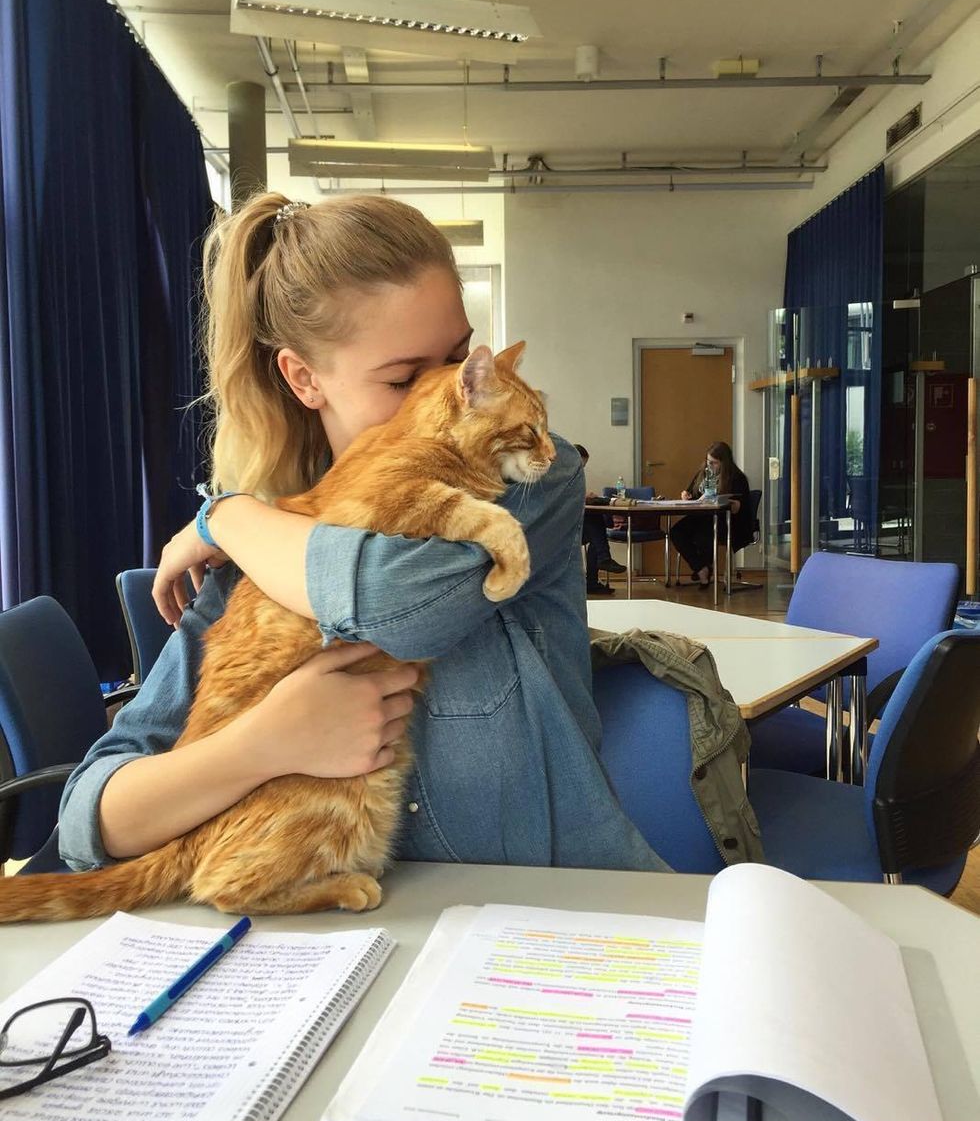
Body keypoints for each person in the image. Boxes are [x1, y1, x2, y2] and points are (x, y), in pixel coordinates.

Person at [57, 192, 669, 876]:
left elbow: (395, 601)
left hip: (550, 915)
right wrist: (266, 742)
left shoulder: (526, 479)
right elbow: (89, 817)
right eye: (407, 377)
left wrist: (225, 517)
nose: (448, 392)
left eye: (461, 358)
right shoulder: (261, 553)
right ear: (304, 378)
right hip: (345, 943)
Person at [670, 441, 751, 588]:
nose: (710, 466)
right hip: (701, 516)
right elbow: (691, 493)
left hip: (725, 521)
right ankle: (701, 568)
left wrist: (732, 503)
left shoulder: (737, 478)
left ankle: (704, 572)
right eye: (708, 462)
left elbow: (740, 507)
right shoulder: (704, 473)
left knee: (703, 535)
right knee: (676, 531)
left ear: (724, 463)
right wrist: (685, 495)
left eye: (714, 463)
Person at [574, 444, 626, 596]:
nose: (581, 469)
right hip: (558, 529)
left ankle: (593, 580)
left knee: (595, 531)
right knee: (595, 525)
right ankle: (603, 561)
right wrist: (583, 497)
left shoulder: (573, 477)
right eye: (580, 465)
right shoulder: (557, 476)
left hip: (573, 525)